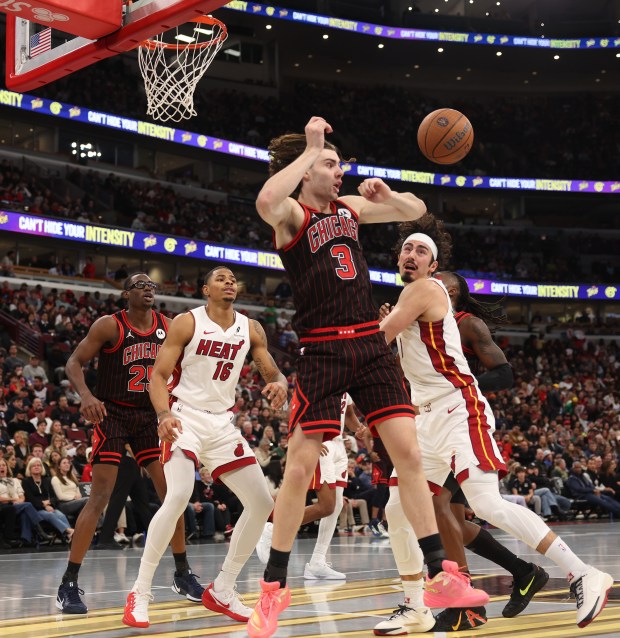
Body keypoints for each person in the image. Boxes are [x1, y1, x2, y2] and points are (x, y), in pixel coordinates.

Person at [247, 116, 488, 638]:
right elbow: (266, 200)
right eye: (331, 165)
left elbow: (416, 211)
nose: (340, 172)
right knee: (298, 468)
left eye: (338, 164)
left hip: (370, 344)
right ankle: (274, 586)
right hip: (324, 348)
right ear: (308, 168)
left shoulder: (348, 209)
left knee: (409, 456)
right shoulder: (291, 214)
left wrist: (389, 193)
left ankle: (438, 577)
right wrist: (312, 147)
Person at [378, 220, 614, 629]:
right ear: (397, 258)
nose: (411, 255)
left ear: (434, 268)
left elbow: (373, 340)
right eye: (407, 249)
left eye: (421, 251)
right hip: (425, 418)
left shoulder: (426, 290)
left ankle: (583, 573)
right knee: (398, 508)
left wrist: (332, 344)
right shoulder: (406, 305)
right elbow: (396, 358)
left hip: (457, 408)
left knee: (484, 503)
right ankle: (416, 606)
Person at [123, 266, 287, 629]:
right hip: (184, 417)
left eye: (232, 279)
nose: (229, 282)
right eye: (220, 279)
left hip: (221, 424)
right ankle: (140, 591)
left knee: (262, 502)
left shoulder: (251, 328)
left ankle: (224, 588)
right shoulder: (186, 322)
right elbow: (158, 377)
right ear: (205, 290)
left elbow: (272, 372)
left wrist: (280, 383)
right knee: (178, 495)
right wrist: (163, 414)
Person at [55, 273, 199, 615]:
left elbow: (183, 372)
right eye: (141, 285)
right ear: (126, 294)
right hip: (113, 413)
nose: (148, 289)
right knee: (101, 496)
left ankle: (182, 573)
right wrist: (87, 395)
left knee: (174, 495)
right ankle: (69, 583)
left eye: (152, 286)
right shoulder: (110, 325)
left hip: (152, 417)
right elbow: (73, 362)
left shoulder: (169, 325)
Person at [256, 394, 363, 580]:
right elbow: (294, 411)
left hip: (339, 445)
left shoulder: (349, 377)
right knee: (326, 505)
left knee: (336, 506)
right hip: (322, 442)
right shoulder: (320, 373)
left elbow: (349, 414)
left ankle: (317, 563)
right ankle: (272, 530)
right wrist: (308, 437)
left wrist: (361, 429)